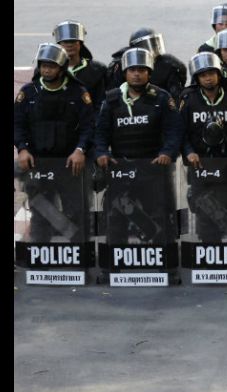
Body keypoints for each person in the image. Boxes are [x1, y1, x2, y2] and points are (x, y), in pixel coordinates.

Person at [94, 47, 184, 245]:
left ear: (149, 72)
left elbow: (174, 130)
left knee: (159, 216)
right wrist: (101, 153)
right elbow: (100, 132)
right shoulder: (111, 100)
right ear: (125, 72)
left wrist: (168, 153)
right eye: (132, 70)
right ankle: (115, 268)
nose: (137, 74)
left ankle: (163, 265)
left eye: (141, 70)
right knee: (116, 218)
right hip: (121, 170)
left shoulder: (162, 98)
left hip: (153, 170)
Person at [14, 42, 94, 243]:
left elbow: (89, 126)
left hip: (70, 165)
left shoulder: (78, 92)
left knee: (77, 211)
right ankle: (40, 262)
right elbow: (17, 125)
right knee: (41, 212)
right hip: (38, 164)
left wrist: (80, 150)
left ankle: (79, 259)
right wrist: (22, 150)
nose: (46, 70)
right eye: (43, 65)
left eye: (51, 66)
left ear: (62, 68)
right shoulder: (28, 93)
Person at [179, 52, 227, 242]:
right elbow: (179, 132)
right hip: (200, 166)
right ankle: (209, 261)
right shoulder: (188, 99)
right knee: (206, 213)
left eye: (211, 73)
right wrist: (188, 152)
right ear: (197, 78)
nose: (208, 78)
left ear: (218, 74)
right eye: (203, 74)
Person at [106, 27, 187, 102]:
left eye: (154, 43)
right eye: (148, 45)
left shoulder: (169, 64)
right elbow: (114, 92)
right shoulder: (121, 63)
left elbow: (176, 94)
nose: (154, 47)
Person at [50, 19, 107, 110]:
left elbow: (101, 102)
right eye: (65, 42)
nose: (69, 45)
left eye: (73, 41)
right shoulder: (47, 70)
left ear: (80, 43)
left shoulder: (97, 69)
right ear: (59, 44)